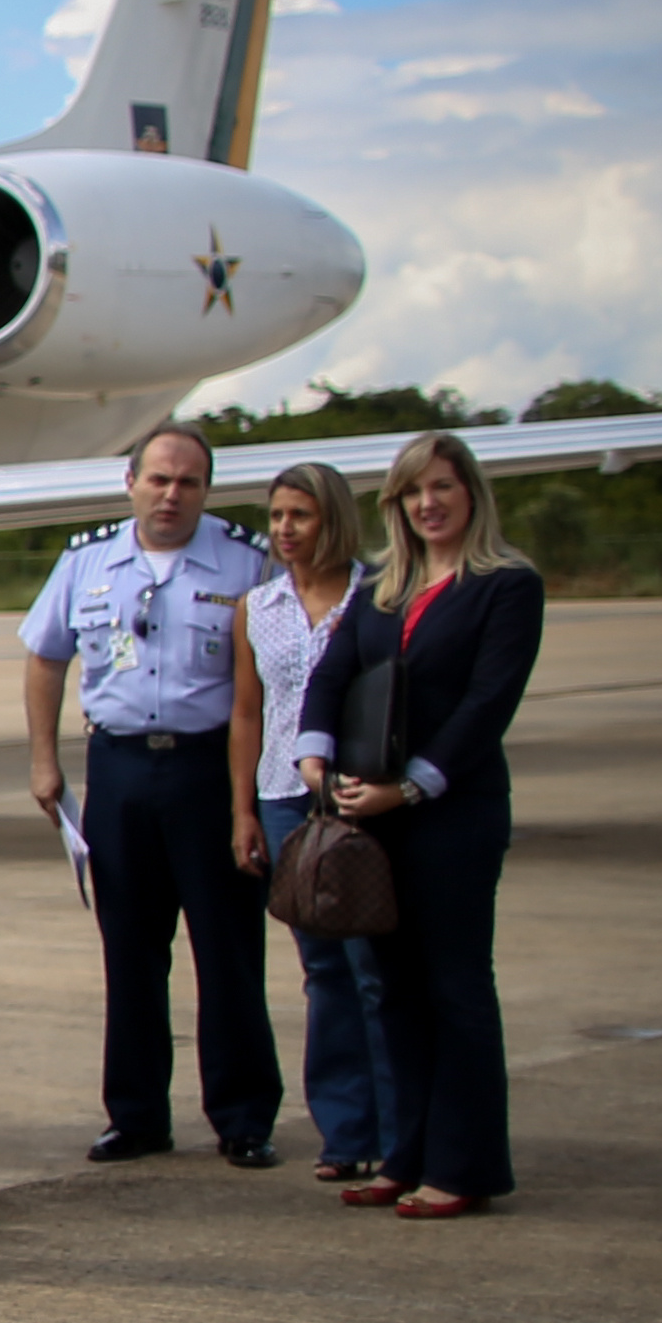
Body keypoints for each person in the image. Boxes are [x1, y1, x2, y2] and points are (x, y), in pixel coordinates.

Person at [20, 427, 285, 1171]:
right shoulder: (86, 562)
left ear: (207, 489)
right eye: (159, 479)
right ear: (130, 480)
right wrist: (46, 762)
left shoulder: (245, 560)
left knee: (227, 951)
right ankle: (135, 1115)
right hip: (121, 770)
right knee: (131, 951)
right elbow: (45, 658)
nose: (172, 495)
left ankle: (242, 1116)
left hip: (211, 771)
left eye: (189, 482)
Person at [299, 432, 543, 1221]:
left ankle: (464, 1164)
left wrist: (408, 788)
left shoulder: (506, 586)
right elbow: (332, 672)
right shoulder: (380, 586)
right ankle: (405, 1154)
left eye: (442, 486)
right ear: (396, 504)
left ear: (470, 492)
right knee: (393, 990)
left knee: (456, 988)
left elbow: (486, 705)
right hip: (371, 813)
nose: (428, 503)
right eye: (412, 491)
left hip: (451, 814)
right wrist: (314, 756)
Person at [228, 461, 399, 1179]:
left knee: (374, 969)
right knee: (321, 967)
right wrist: (243, 809)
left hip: (355, 792)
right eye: (276, 516)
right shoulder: (257, 605)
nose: (286, 530)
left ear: (334, 520)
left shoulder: (379, 596)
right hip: (282, 793)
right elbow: (246, 710)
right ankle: (344, 1130)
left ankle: (397, 1130)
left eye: (302, 515)